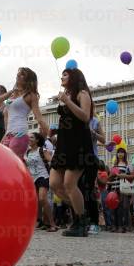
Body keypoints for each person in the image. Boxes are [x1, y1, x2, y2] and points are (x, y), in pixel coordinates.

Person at [49, 68, 94, 237]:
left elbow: (85, 117)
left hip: (78, 144)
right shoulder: (66, 95)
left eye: (65, 75)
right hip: (63, 144)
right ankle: (80, 215)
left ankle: (80, 222)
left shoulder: (82, 93)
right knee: (54, 184)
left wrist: (67, 101)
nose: (62, 77)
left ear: (74, 77)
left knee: (69, 183)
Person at [0, 68, 49, 160]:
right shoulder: (12, 96)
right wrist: (11, 91)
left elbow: (39, 118)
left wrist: (47, 133)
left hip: (20, 132)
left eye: (22, 74)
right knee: (5, 162)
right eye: (18, 74)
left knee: (13, 162)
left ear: (28, 79)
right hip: (8, 134)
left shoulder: (31, 95)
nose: (18, 76)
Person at [26, 132, 57, 232]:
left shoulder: (42, 150)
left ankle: (52, 224)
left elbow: (51, 161)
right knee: (37, 202)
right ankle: (42, 222)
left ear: (37, 140)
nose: (29, 138)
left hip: (43, 176)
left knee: (42, 198)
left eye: (31, 137)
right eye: (28, 137)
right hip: (32, 178)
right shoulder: (28, 152)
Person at [111, 148, 134, 233]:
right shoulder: (114, 165)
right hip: (114, 187)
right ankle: (114, 226)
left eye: (122, 152)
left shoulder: (128, 165)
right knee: (114, 208)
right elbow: (110, 177)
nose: (120, 154)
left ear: (125, 154)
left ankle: (122, 226)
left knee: (123, 208)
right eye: (119, 152)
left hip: (124, 188)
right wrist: (112, 175)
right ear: (116, 154)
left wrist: (122, 175)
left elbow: (132, 177)